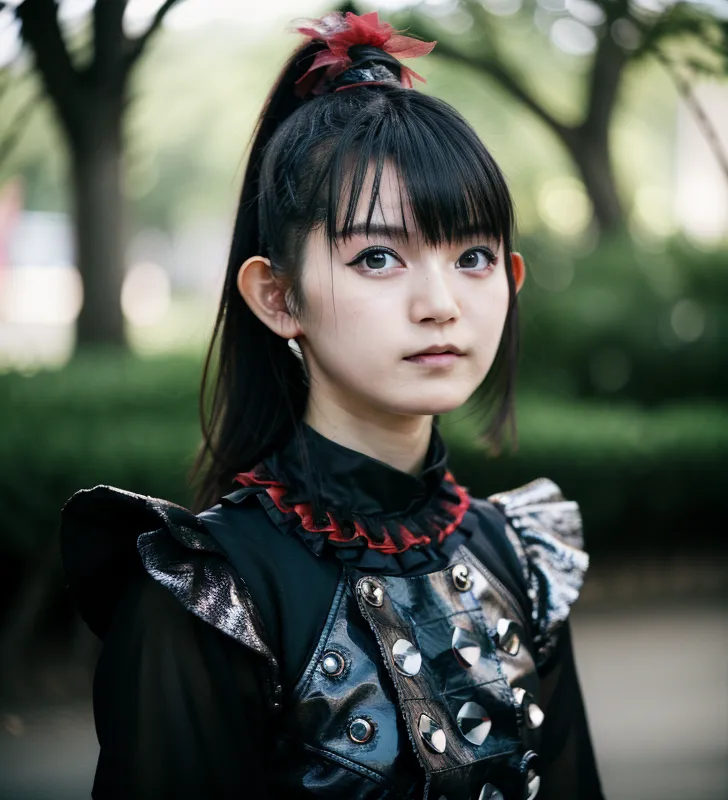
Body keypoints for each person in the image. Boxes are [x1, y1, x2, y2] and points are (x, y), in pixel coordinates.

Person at [60, 10, 604, 800]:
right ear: (279, 297)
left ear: (512, 282)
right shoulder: (210, 598)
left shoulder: (518, 562)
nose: (440, 302)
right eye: (379, 256)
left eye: (474, 256)